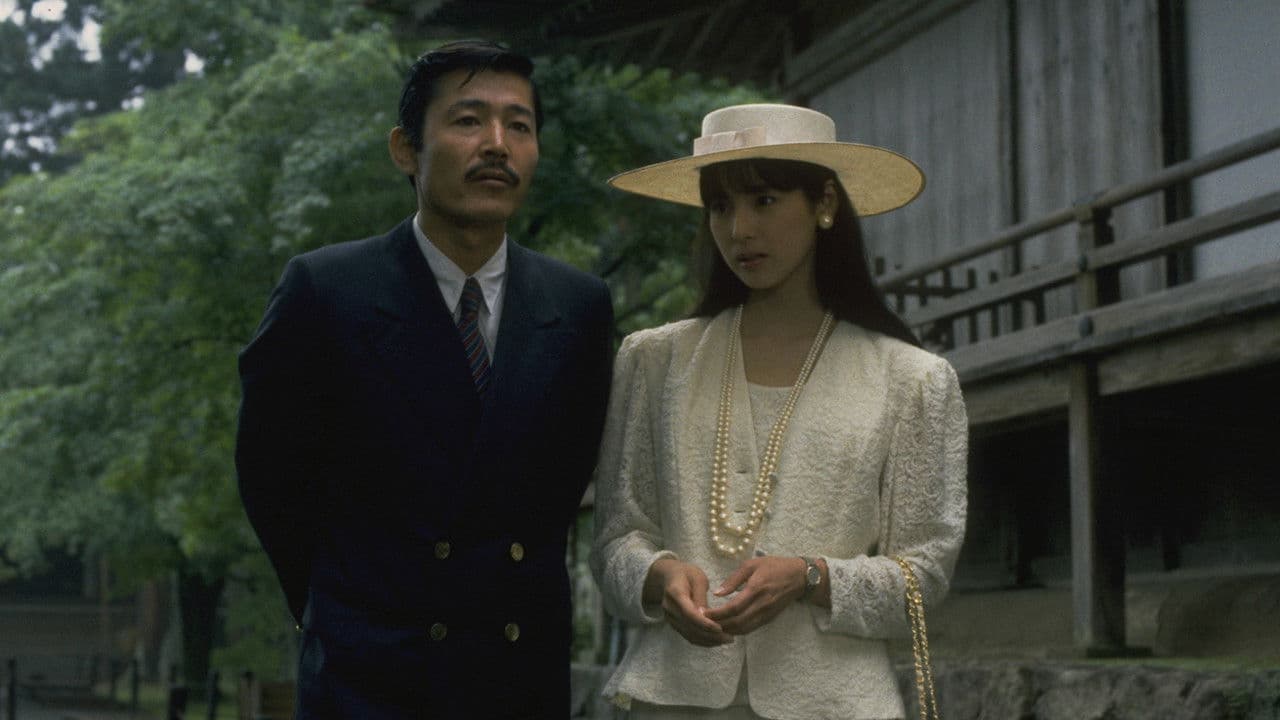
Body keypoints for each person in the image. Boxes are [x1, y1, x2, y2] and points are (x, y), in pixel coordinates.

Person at [236, 40, 614, 719]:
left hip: (518, 675)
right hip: (370, 676)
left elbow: (560, 488)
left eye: (519, 125)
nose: (496, 144)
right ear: (405, 150)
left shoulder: (578, 306)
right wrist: (340, 611)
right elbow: (272, 480)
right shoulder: (326, 292)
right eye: (468, 120)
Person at [591, 104, 968, 719]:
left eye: (764, 201)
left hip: (835, 706)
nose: (739, 229)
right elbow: (615, 540)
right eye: (720, 206)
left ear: (824, 203)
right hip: (673, 701)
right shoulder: (653, 361)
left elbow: (924, 579)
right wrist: (658, 575)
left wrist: (810, 576)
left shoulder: (913, 380)